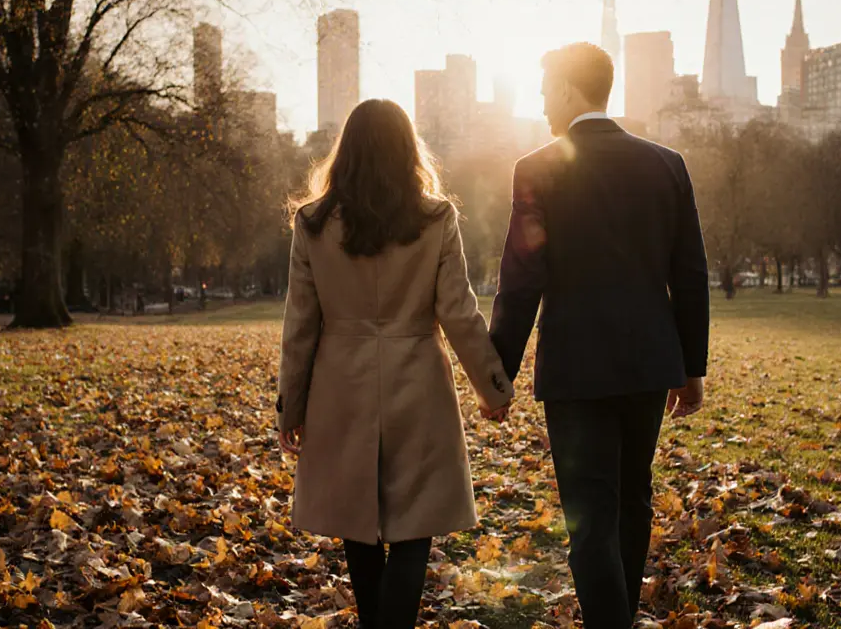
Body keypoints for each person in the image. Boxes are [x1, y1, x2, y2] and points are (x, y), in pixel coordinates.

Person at [489, 43, 710, 629]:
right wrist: (692, 367)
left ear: (567, 89)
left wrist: (497, 376)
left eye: (543, 91)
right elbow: (689, 273)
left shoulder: (536, 169)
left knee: (589, 516)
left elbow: (520, 279)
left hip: (577, 367)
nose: (540, 104)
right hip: (648, 362)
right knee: (631, 501)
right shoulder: (667, 164)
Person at [276, 99, 514, 628]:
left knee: (356, 526)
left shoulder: (313, 224)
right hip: (418, 382)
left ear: (347, 151)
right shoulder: (435, 219)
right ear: (409, 150)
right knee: (415, 525)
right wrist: (493, 388)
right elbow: (459, 311)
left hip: (340, 384)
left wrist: (291, 406)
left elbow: (300, 325)